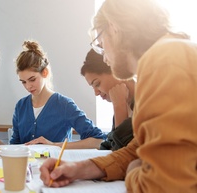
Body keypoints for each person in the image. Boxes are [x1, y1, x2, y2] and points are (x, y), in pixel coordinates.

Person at [39, 0, 197, 192]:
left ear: (113, 29)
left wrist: (133, 169)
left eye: (100, 44)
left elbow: (164, 185)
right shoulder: (169, 54)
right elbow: (134, 150)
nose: (104, 57)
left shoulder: (164, 59)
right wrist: (77, 169)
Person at [0, 40, 105, 149]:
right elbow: (17, 146)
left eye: (32, 79)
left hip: (56, 169)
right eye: (23, 82)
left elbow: (98, 140)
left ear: (45, 72)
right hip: (28, 170)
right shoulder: (21, 106)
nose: (28, 86)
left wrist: (54, 145)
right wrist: (1, 146)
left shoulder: (64, 105)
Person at [81, 49, 134, 150]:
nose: (96, 93)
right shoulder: (125, 102)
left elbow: (121, 154)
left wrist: (119, 107)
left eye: (97, 84)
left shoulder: (145, 103)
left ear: (115, 71)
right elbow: (108, 145)